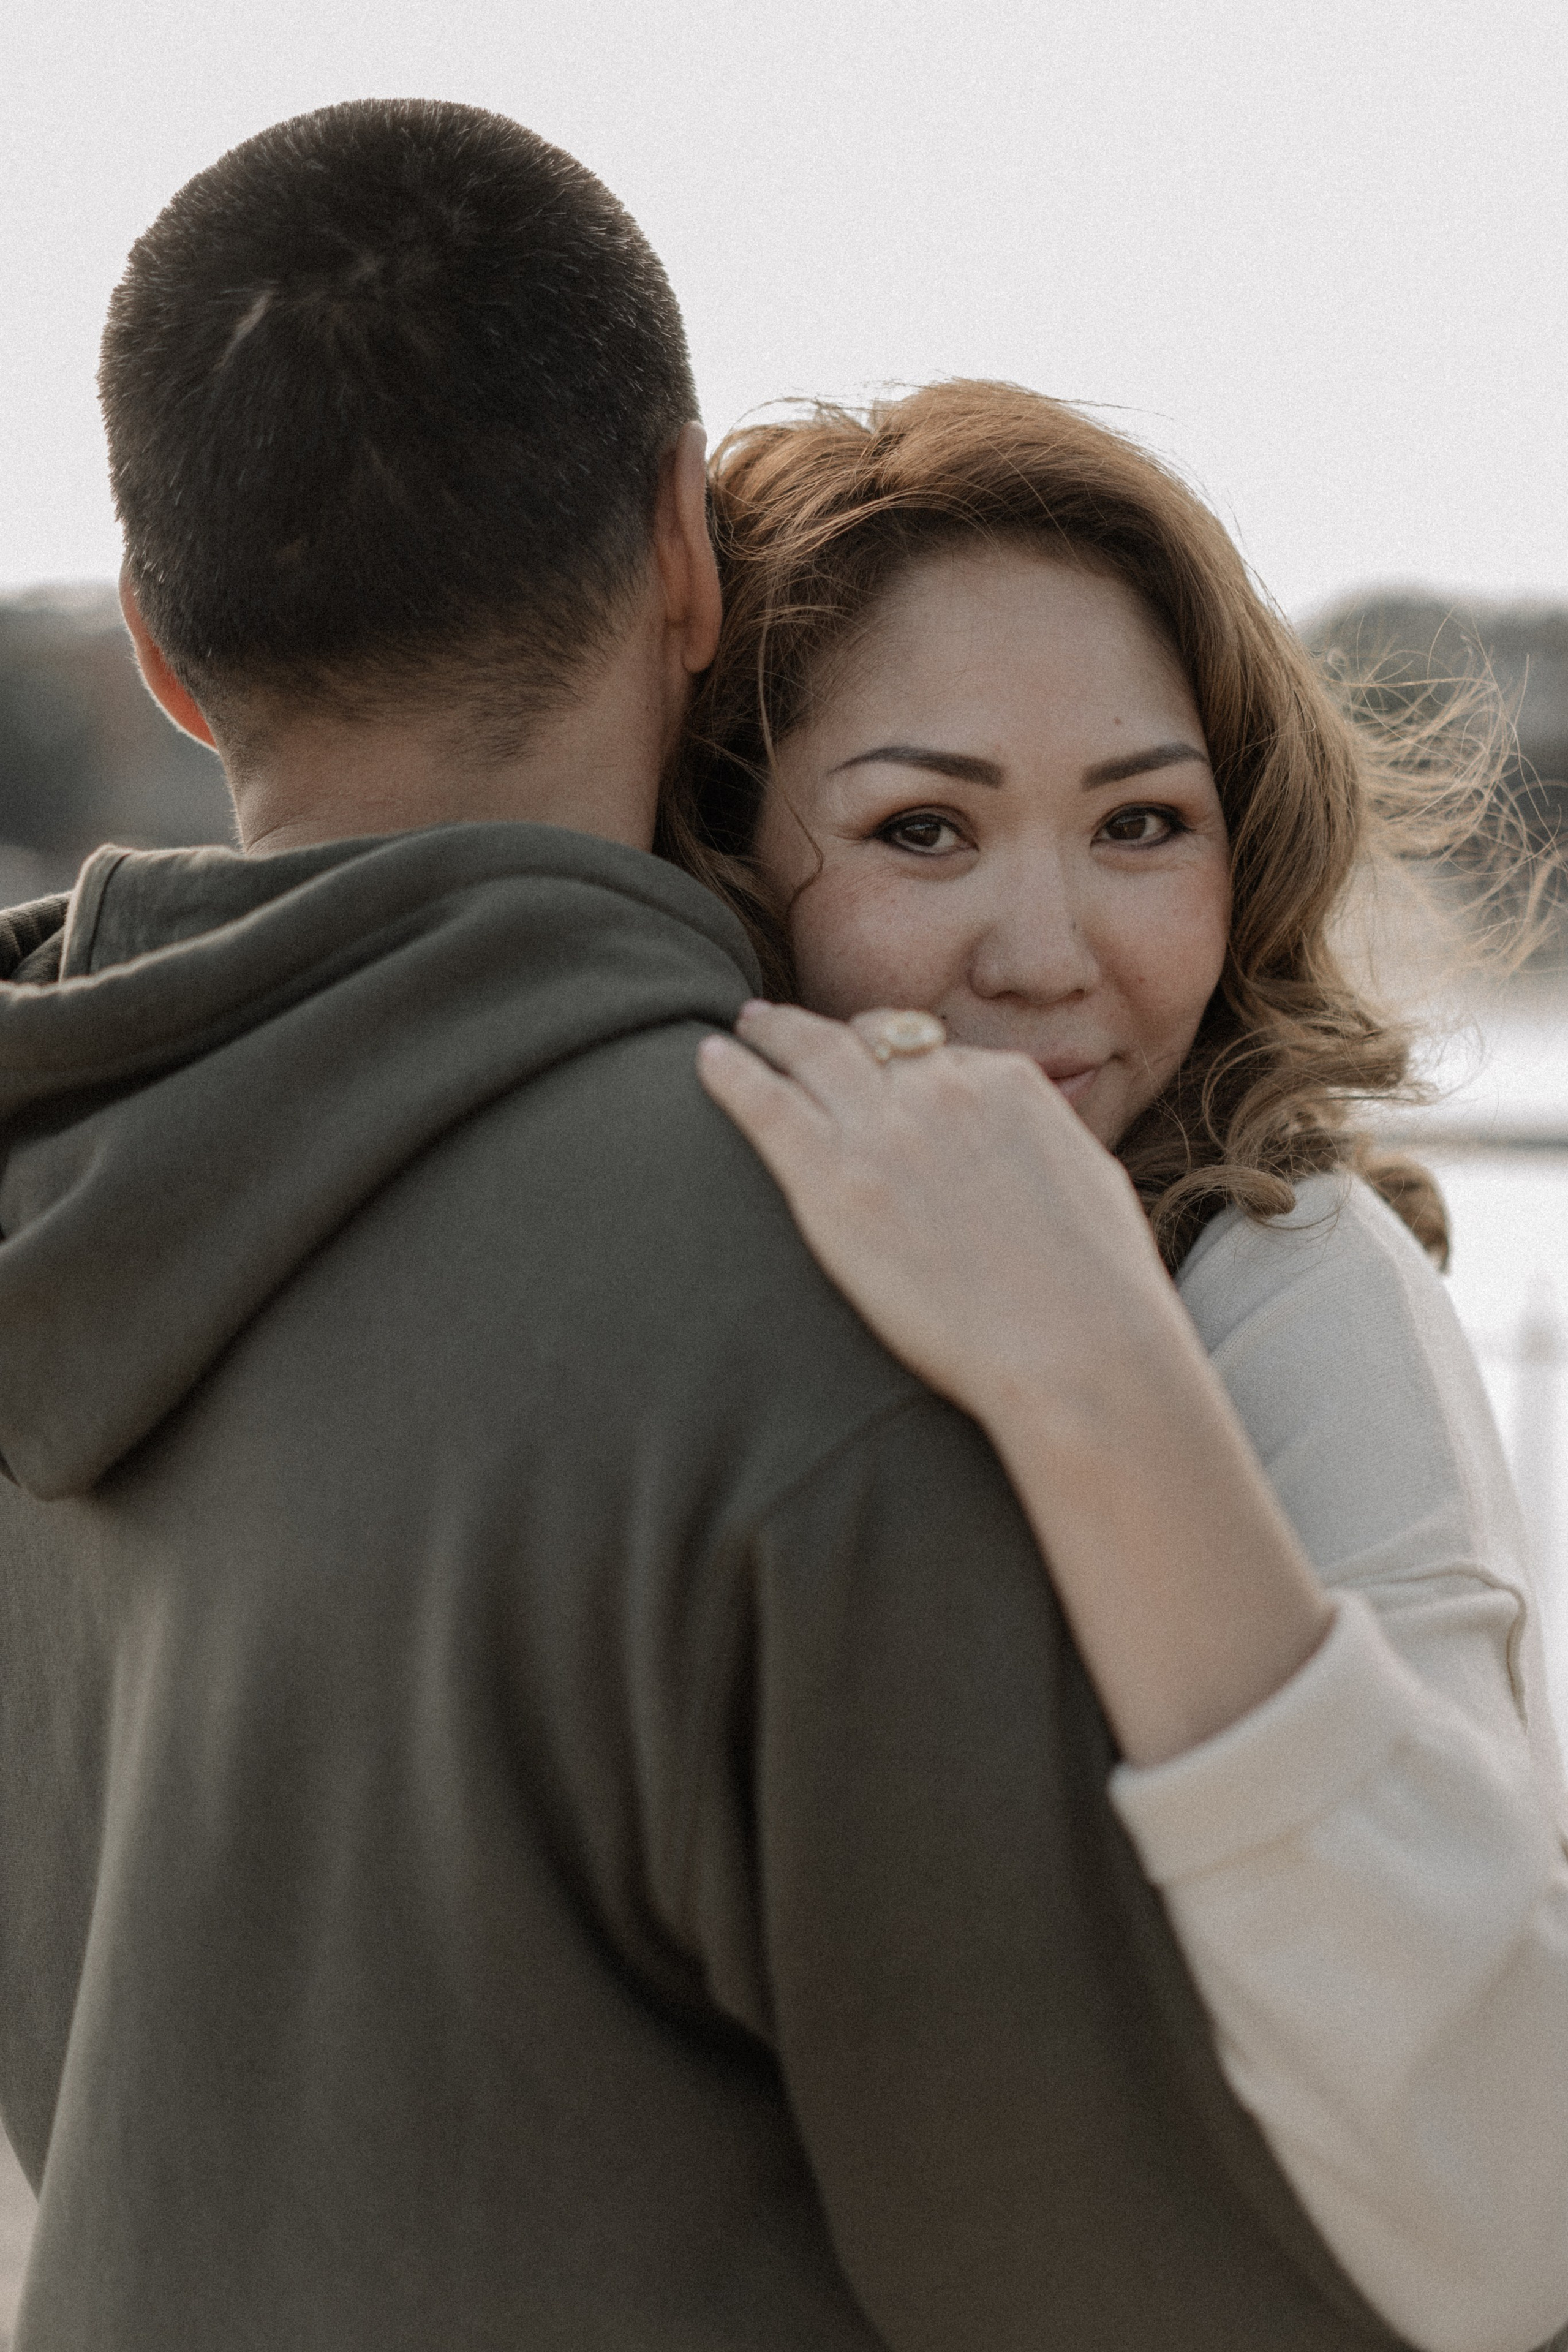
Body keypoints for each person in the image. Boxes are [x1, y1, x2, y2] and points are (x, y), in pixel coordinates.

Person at [0, 102, 1445, 2352]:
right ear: (689, 559)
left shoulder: (54, 1228)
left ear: (169, 654)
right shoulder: (841, 1281)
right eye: (931, 830)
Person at [681, 380, 1568, 2352]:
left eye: (1139, 825)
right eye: (925, 828)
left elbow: (1517, 2196)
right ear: (722, 853)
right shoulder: (690, 1284)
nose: (1044, 951)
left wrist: (1094, 1369)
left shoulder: (1291, 1279)